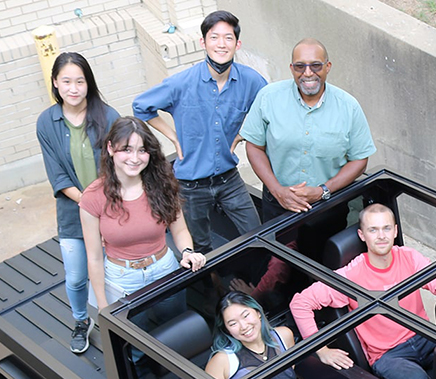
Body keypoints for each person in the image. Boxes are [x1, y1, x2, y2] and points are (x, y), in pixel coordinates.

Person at [290, 203, 436, 379]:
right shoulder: (351, 275)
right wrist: (321, 350)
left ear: (396, 231)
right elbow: (300, 303)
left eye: (386, 228)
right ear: (362, 235)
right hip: (388, 355)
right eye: (373, 230)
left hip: (423, 336)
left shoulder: (410, 258)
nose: (381, 236)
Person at [132, 11, 266, 253]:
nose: (221, 44)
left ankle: (257, 286)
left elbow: (269, 110)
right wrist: (172, 135)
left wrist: (243, 134)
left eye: (228, 38)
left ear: (238, 44)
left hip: (229, 178)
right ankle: (211, 285)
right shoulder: (182, 83)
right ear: (203, 42)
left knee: (258, 234)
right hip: (190, 185)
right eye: (214, 37)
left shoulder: (251, 80)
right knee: (201, 245)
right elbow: (141, 106)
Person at [79, 116, 206, 316]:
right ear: (111, 149)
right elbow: (94, 257)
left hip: (164, 268)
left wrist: (188, 252)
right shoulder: (93, 197)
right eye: (126, 150)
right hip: (122, 278)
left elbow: (180, 229)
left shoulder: (161, 184)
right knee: (135, 341)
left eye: (142, 150)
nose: (135, 158)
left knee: (177, 325)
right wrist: (103, 305)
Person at [36, 52, 120, 354]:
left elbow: (122, 165)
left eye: (80, 81)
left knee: (111, 275)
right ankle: (81, 321)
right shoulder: (47, 122)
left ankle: (114, 323)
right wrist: (89, 204)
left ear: (89, 83)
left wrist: (105, 206)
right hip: (74, 213)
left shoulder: (108, 117)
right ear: (56, 83)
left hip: (111, 211)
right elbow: (57, 176)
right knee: (75, 276)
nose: (73, 88)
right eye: (67, 81)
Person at [240, 38, 375, 222]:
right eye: (300, 66)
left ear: (328, 66)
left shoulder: (348, 107)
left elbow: (359, 159)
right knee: (278, 251)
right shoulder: (268, 97)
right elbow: (254, 147)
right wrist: (278, 191)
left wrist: (322, 191)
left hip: (328, 205)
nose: (308, 73)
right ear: (291, 68)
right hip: (277, 206)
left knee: (325, 251)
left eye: (316, 66)